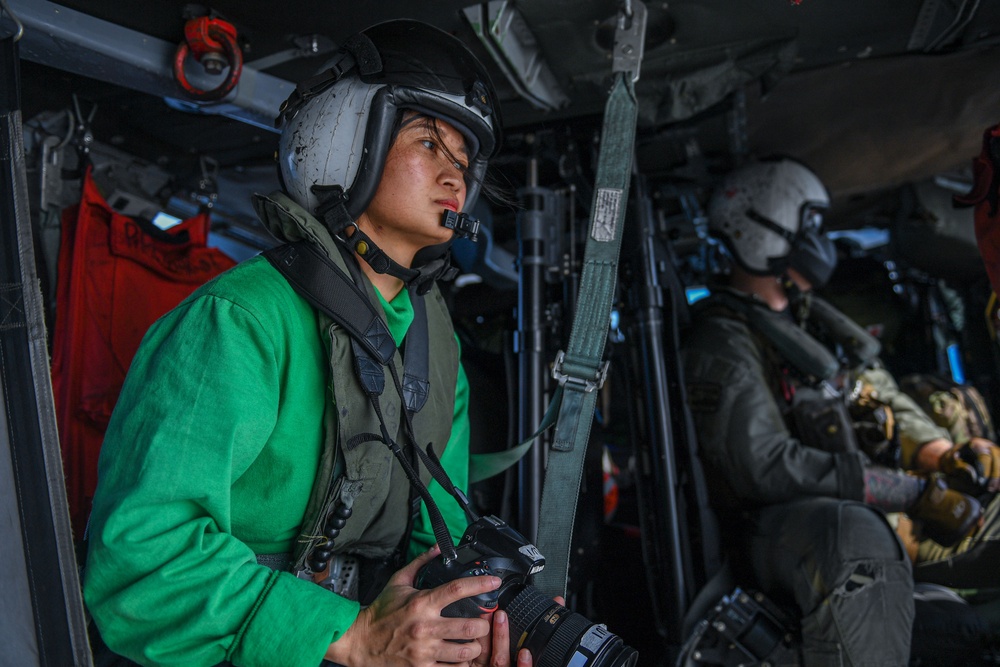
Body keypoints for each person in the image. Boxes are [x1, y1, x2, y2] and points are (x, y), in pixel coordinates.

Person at [83, 20, 537, 667]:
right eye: (429, 141)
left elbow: (439, 539)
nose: (455, 172)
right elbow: (141, 558)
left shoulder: (440, 352)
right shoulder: (238, 319)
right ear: (348, 138)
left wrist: (466, 629)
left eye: (465, 157)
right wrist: (352, 636)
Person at [680, 157, 994, 666]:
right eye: (811, 226)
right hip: (780, 527)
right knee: (853, 538)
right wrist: (910, 492)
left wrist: (942, 454)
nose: (820, 240)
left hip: (876, 505)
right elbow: (764, 466)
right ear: (765, 230)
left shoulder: (810, 325)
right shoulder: (723, 341)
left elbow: (878, 393)